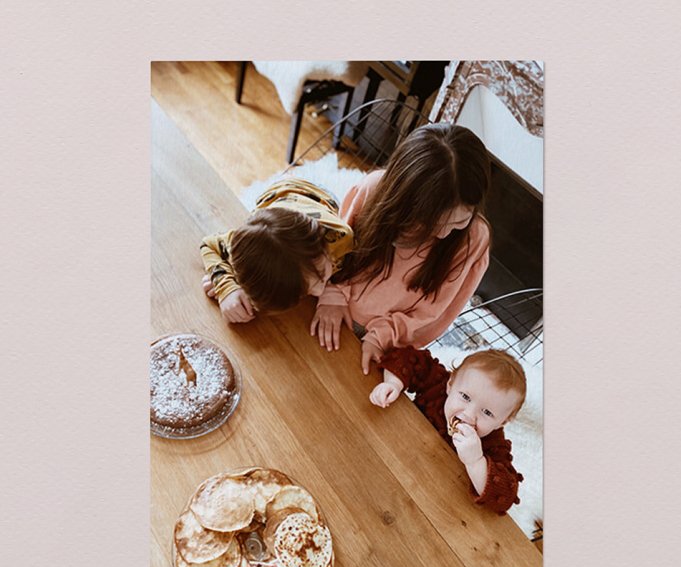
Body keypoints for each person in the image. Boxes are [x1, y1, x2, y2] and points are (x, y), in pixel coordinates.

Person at [310, 123, 492, 374]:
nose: (443, 234)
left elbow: (434, 312)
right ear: (404, 200)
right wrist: (332, 294)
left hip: (386, 343)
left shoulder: (474, 239)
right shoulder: (373, 189)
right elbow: (336, 250)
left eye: (459, 222)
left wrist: (381, 337)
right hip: (329, 305)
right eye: (431, 223)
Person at [370, 346, 526, 514]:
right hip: (384, 449)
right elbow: (404, 356)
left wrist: (475, 461)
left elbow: (505, 497)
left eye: (487, 413)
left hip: (425, 499)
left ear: (502, 422)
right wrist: (393, 383)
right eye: (465, 397)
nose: (469, 414)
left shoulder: (493, 443)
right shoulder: (437, 385)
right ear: (450, 385)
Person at [201, 177, 353, 322]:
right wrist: (227, 286)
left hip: (314, 194)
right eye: (306, 290)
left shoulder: (341, 237)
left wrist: (332, 293)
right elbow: (209, 245)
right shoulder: (244, 243)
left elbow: (355, 268)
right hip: (276, 203)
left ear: (324, 250)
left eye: (322, 275)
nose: (320, 291)